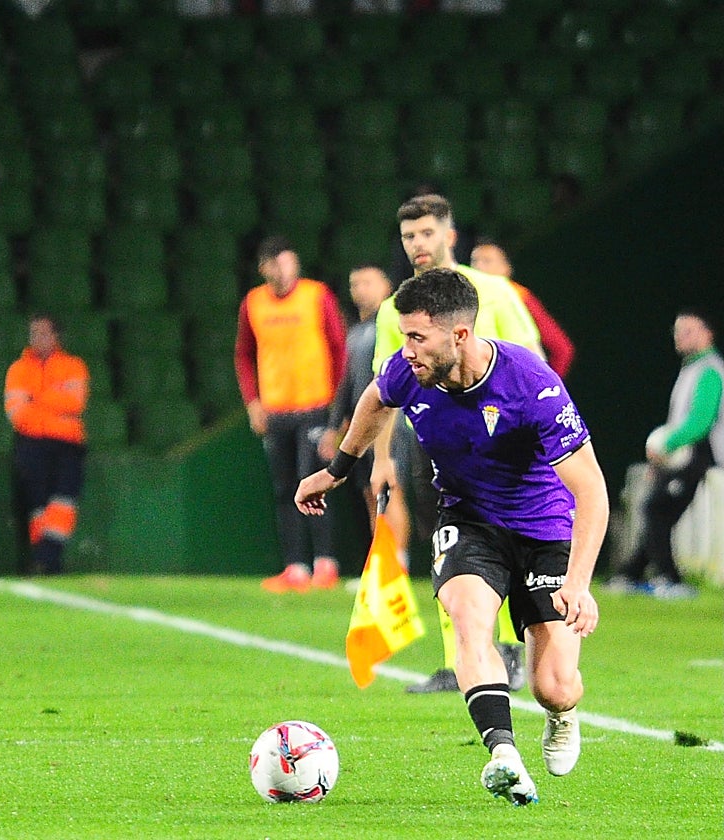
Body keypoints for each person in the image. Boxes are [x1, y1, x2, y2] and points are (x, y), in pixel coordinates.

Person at [297, 267, 608, 805]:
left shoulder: (529, 383)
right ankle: (504, 754)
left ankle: (562, 714)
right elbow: (374, 399)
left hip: (544, 529)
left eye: (417, 337)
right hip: (468, 521)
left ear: (459, 335)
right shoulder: (409, 370)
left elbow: (593, 491)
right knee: (468, 618)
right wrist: (339, 469)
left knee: (554, 686)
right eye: (404, 336)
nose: (406, 350)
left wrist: (577, 584)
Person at [373, 194, 541, 694]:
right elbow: (383, 390)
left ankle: (508, 649)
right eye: (409, 236)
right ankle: (458, 660)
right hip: (431, 444)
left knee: (506, 539)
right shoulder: (394, 309)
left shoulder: (492, 291)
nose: (418, 244)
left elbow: (533, 358)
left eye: (427, 232)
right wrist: (381, 458)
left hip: (500, 441)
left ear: (450, 235)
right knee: (445, 543)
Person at [235, 235, 348, 592]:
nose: (283, 270)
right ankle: (295, 567)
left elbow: (339, 348)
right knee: (284, 489)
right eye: (275, 264)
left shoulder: (317, 295)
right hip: (276, 411)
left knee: (313, 483)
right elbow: (243, 354)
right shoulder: (253, 303)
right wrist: (253, 402)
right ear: (263, 268)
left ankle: (325, 563)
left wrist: (339, 407)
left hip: (315, 406)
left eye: (287, 262)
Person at [610, 310, 723, 598]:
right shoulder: (691, 368)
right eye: (677, 330)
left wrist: (665, 445)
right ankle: (631, 574)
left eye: (689, 330)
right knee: (655, 511)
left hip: (697, 454)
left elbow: (701, 421)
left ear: (708, 333)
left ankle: (669, 579)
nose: (680, 336)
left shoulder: (709, 369)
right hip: (682, 455)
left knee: (656, 511)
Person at [322, 264, 409, 556]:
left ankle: (400, 561)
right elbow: (348, 383)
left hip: (390, 422)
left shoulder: (393, 323)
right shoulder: (356, 332)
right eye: (355, 284)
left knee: (390, 489)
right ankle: (381, 564)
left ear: (386, 285)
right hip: (364, 424)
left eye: (367, 282)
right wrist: (336, 425)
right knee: (371, 494)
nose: (360, 290)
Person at [4, 313, 90, 575]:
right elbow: (17, 413)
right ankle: (45, 561)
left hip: (67, 444)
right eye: (34, 333)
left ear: (56, 337)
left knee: (63, 501)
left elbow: (75, 403)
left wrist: (36, 399)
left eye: (43, 333)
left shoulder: (74, 366)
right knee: (37, 504)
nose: (37, 339)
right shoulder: (18, 369)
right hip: (31, 443)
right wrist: (54, 399)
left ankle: (46, 558)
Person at [470, 239, 575, 379]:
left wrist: (548, 385)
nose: (478, 267)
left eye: (487, 261)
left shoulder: (518, 295)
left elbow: (561, 348)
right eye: (474, 261)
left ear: (506, 268)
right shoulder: (466, 296)